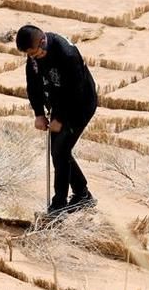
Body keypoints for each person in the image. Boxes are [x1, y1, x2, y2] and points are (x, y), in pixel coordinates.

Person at [16, 24, 98, 218]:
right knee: (60, 151)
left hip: (80, 106)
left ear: (43, 41)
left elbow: (75, 91)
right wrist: (38, 113)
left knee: (60, 151)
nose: (32, 58)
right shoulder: (34, 55)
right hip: (58, 102)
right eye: (29, 55)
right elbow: (33, 84)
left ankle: (59, 205)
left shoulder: (67, 54)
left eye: (34, 53)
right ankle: (82, 194)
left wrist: (61, 118)